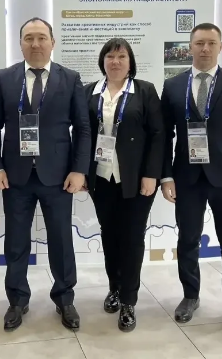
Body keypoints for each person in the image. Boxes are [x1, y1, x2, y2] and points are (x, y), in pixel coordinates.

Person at [0, 17, 91, 332]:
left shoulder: (70, 78)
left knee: (61, 240)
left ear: (52, 42)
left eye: (41, 37)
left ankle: (65, 298)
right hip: (15, 176)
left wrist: (79, 170)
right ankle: (17, 299)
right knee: (16, 241)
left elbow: (83, 128)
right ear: (20, 43)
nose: (35, 44)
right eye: (29, 38)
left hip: (58, 176)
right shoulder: (5, 78)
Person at [160, 22, 222, 340]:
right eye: (199, 43)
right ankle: (190, 296)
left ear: (220, 47)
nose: (205, 48)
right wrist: (166, 175)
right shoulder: (173, 86)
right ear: (190, 47)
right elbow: (163, 136)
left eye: (211, 43)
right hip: (186, 178)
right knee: (187, 241)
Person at [84, 38, 163, 332]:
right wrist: (82, 172)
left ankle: (129, 300)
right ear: (102, 61)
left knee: (131, 238)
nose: (115, 61)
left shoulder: (145, 91)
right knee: (110, 235)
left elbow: (158, 135)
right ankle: (114, 288)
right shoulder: (89, 92)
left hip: (136, 180)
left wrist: (151, 174)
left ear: (130, 62)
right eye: (110, 56)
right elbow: (82, 135)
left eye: (121, 56)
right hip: (101, 178)